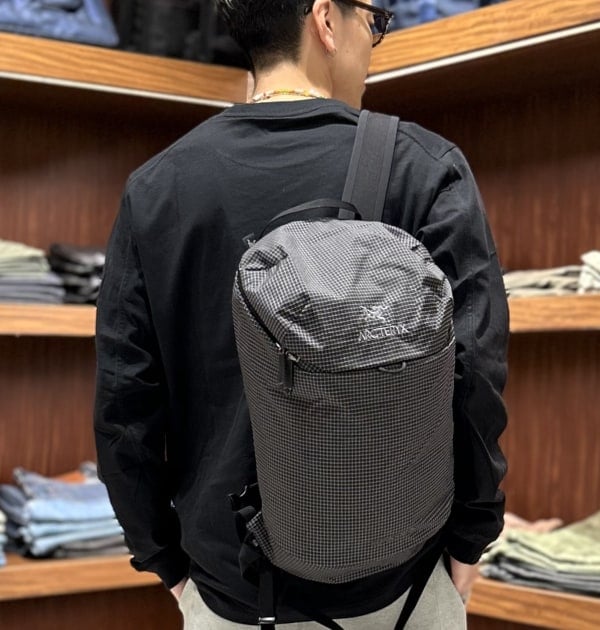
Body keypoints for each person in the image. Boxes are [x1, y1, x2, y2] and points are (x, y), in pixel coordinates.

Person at [93, 0, 509, 628]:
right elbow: (474, 374)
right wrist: (471, 537)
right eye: (374, 20)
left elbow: (125, 405)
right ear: (325, 20)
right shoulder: (423, 167)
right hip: (401, 581)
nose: (375, 42)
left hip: (229, 588)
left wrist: (165, 562)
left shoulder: (157, 188)